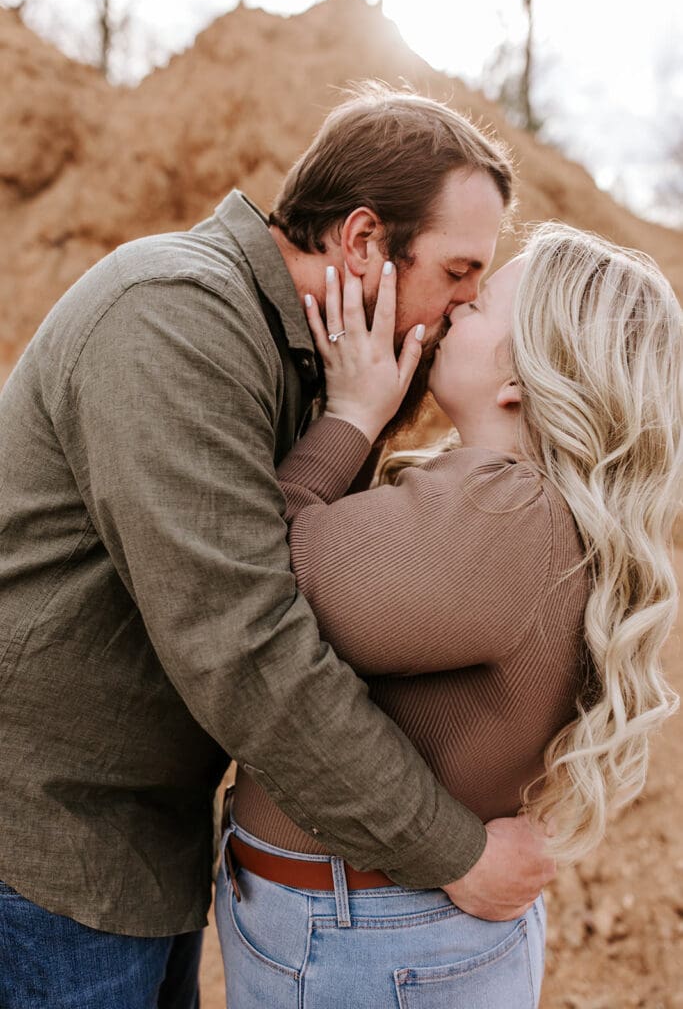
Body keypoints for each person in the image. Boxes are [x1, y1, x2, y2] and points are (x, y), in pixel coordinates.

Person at [0, 85, 555, 1009]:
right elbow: (245, 644)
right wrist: (451, 852)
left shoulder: (327, 354)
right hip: (47, 847)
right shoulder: (171, 319)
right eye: (459, 272)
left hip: (143, 840)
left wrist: (359, 413)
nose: (465, 306)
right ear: (366, 242)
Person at [215, 222, 683, 1007]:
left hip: (365, 944)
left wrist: (351, 415)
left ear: (518, 379)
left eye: (480, 303)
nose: (456, 305)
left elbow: (248, 577)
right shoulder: (531, 510)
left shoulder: (501, 513)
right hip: (395, 936)